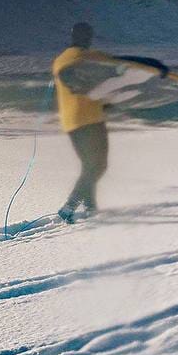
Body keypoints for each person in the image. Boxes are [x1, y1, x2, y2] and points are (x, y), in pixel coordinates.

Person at [52, 22, 114, 223]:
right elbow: (110, 77)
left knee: (89, 165)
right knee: (98, 166)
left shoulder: (60, 60)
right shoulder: (93, 58)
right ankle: (70, 205)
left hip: (70, 122)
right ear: (88, 37)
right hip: (91, 119)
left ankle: (90, 207)